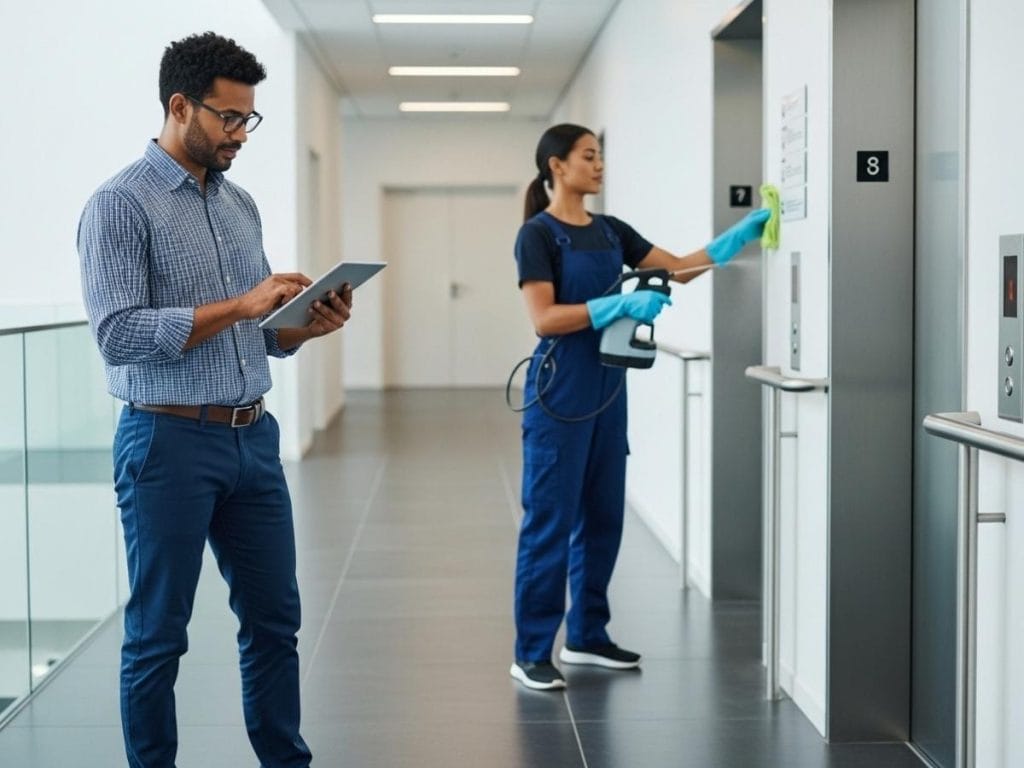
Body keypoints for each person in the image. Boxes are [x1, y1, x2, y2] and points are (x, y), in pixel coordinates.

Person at [77, 32, 349, 766]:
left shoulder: (240, 206)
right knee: (159, 632)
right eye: (229, 118)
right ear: (179, 106)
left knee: (274, 621)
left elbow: (261, 335)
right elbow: (119, 336)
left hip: (252, 439)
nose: (240, 135)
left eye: (248, 119)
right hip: (166, 444)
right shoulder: (118, 206)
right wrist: (239, 305)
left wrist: (302, 327)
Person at [510, 123, 769, 690]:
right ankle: (531, 650)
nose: (599, 165)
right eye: (588, 156)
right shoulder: (538, 235)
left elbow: (677, 268)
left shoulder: (610, 231)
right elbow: (545, 318)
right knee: (551, 524)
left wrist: (736, 239)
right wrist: (613, 305)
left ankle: (587, 635)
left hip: (607, 390)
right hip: (558, 393)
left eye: (601, 156)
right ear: (557, 165)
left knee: (602, 519)